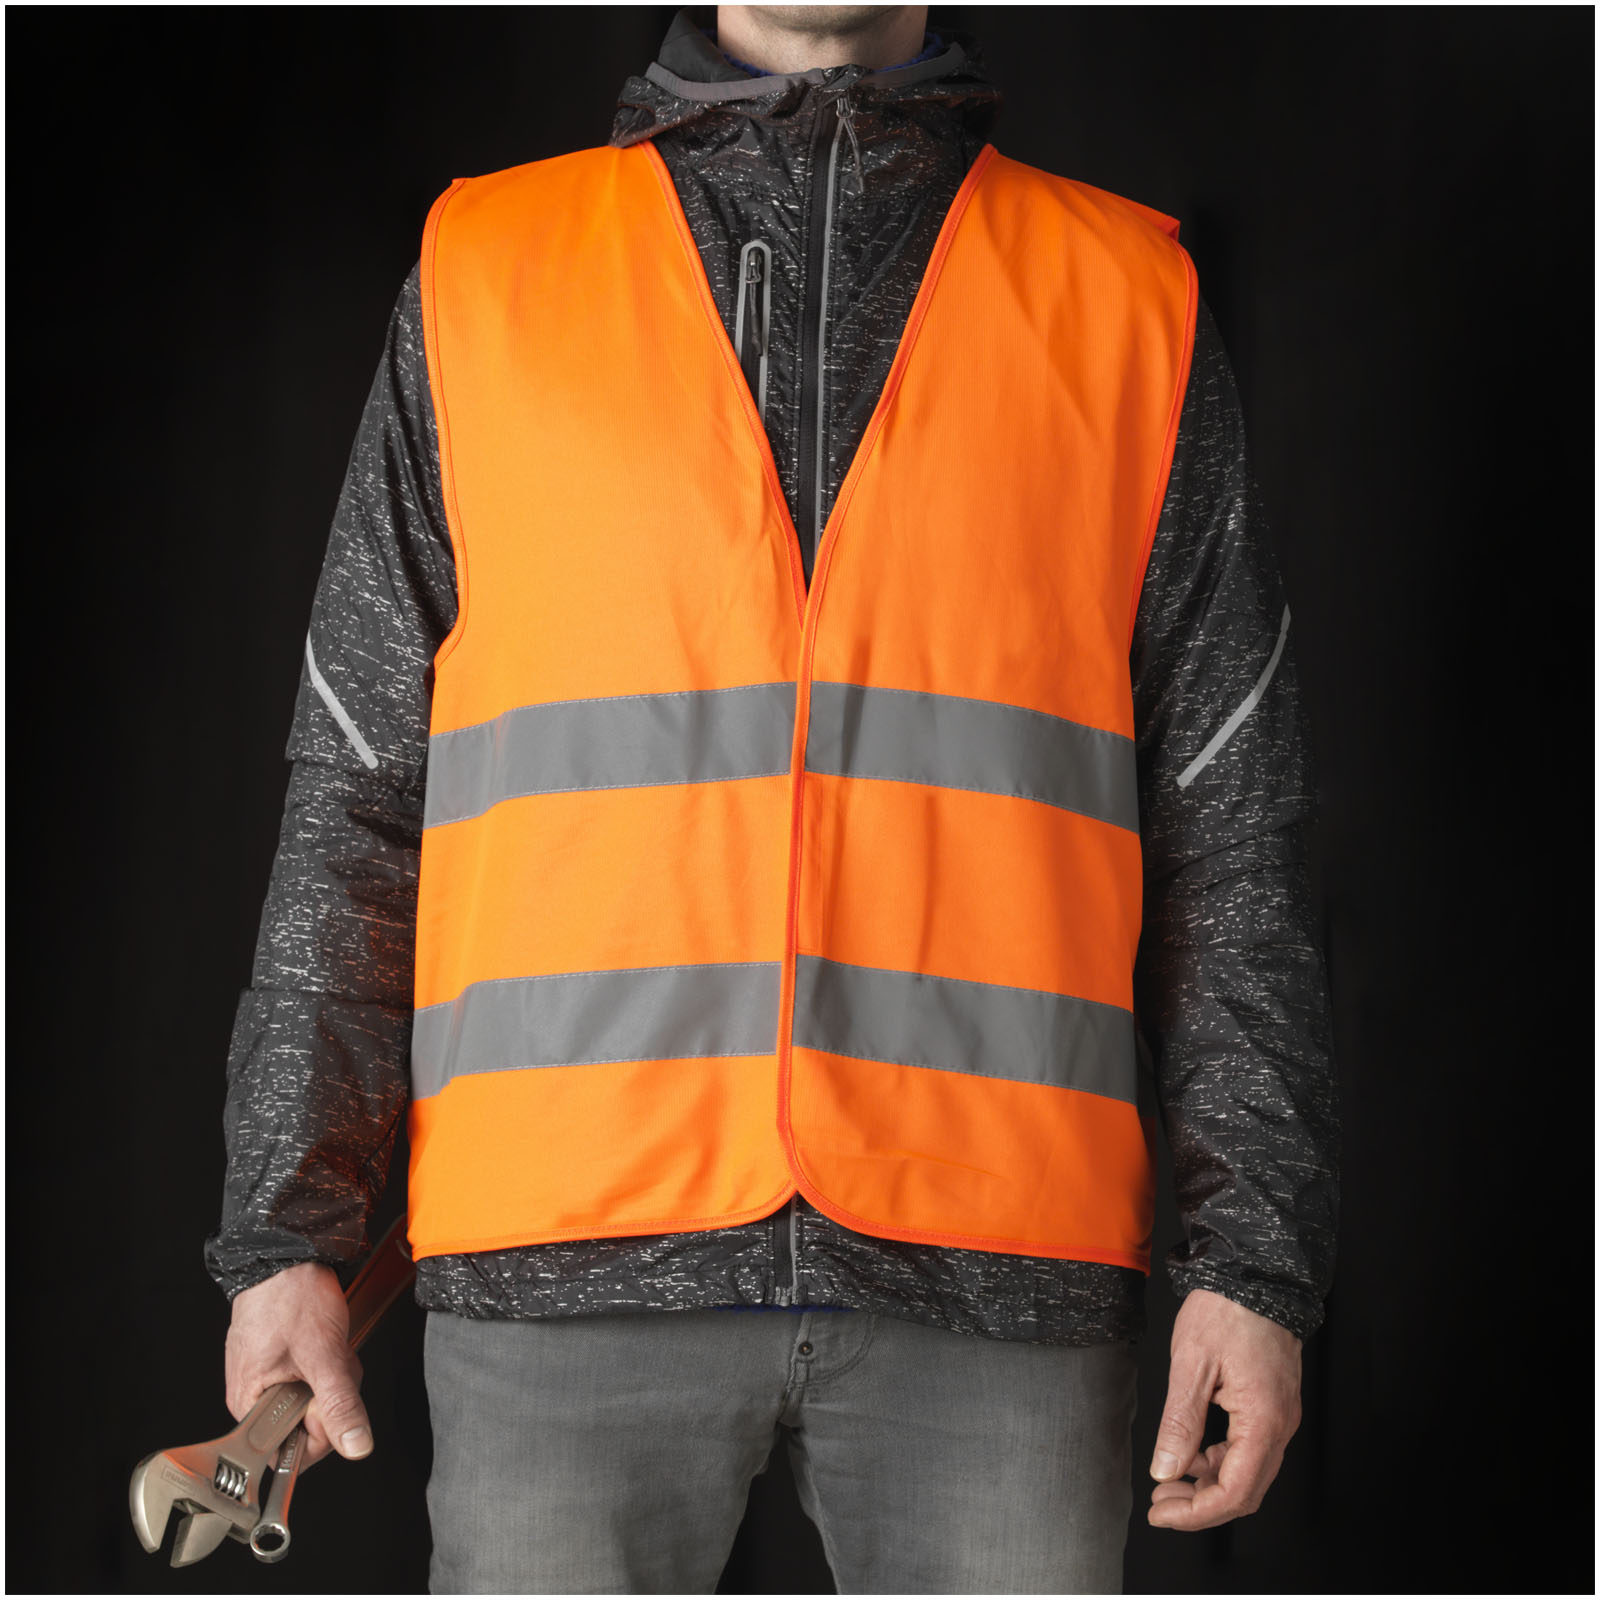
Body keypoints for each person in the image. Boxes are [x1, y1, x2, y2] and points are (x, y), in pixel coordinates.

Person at [209, 5, 1340, 1592]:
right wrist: (290, 1232)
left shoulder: (1128, 300)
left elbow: (1233, 829)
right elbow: (359, 789)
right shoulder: (485, 277)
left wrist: (1254, 1262)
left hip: (998, 1282)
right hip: (565, 1267)